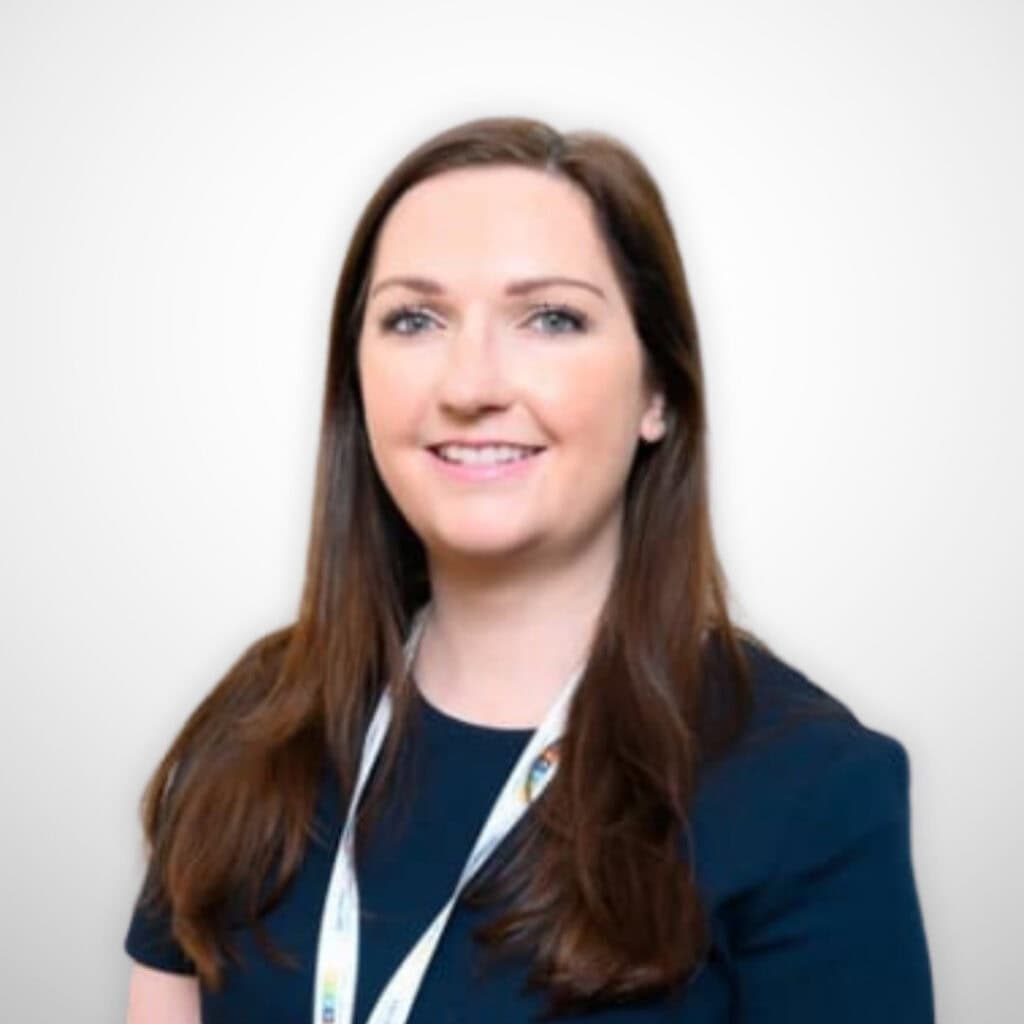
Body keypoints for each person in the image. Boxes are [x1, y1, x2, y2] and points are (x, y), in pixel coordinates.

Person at [124, 116, 934, 1024]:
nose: (471, 385)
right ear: (357, 383)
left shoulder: (813, 786)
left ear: (658, 392)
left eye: (551, 318)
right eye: (414, 319)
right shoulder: (255, 727)